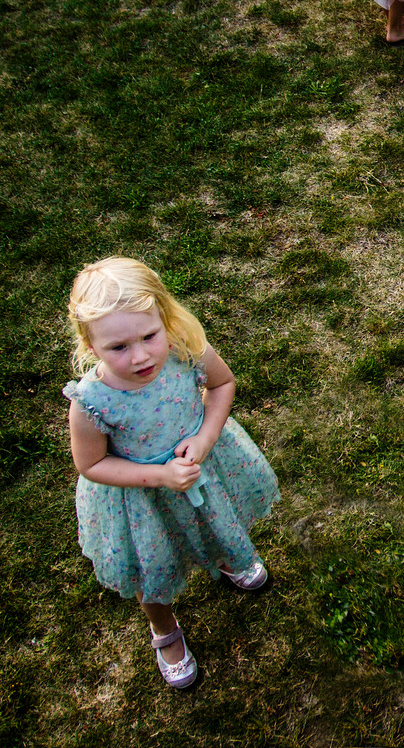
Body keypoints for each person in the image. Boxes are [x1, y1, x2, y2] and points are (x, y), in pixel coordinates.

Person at [62, 257, 280, 689]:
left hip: (204, 470)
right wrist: (160, 477)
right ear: (90, 346)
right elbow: (90, 465)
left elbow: (221, 384)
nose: (140, 355)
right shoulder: (91, 402)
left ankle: (226, 559)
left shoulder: (184, 349)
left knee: (214, 522)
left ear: (165, 319)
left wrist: (204, 440)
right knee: (152, 570)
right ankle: (164, 630)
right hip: (143, 499)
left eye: (149, 335)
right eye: (118, 347)